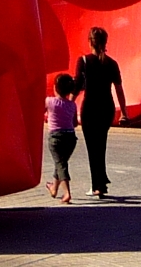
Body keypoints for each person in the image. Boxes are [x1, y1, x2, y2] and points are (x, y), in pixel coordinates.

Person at [74, 27, 127, 197]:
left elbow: (77, 86)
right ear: (105, 42)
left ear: (90, 41)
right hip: (106, 107)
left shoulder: (83, 60)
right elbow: (119, 89)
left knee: (92, 147)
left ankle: (97, 184)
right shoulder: (111, 63)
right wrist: (124, 112)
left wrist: (68, 105)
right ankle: (101, 182)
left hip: (90, 106)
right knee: (101, 144)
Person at [45, 73, 79, 204]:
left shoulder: (49, 101)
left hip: (56, 137)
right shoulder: (72, 105)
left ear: (55, 88)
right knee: (60, 163)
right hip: (70, 137)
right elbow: (75, 123)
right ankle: (54, 189)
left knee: (61, 164)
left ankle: (67, 193)